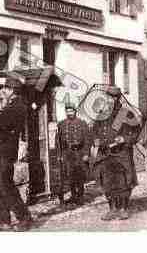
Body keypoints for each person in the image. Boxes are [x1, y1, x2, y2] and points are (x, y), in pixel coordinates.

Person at [92, 87, 141, 221]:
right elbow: (94, 131)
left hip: (122, 152)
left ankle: (123, 209)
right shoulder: (102, 114)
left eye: (113, 98)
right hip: (106, 153)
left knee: (125, 181)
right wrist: (96, 141)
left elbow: (137, 132)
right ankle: (112, 209)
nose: (110, 100)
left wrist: (124, 139)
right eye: (108, 97)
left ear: (117, 98)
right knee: (107, 181)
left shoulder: (125, 113)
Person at [0, 88, 33, 231]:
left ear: (12, 90)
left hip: (5, 152)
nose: (2, 91)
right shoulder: (9, 106)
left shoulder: (16, 107)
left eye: (5, 88)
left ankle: (24, 217)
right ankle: (4, 220)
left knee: (7, 187)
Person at [56, 102, 91, 206]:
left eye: (71, 111)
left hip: (79, 153)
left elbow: (87, 139)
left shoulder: (82, 123)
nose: (69, 113)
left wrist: (86, 153)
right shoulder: (61, 124)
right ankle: (73, 195)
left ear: (75, 112)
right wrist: (60, 154)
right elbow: (57, 141)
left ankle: (80, 196)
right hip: (67, 153)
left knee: (79, 175)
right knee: (70, 175)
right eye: (67, 111)